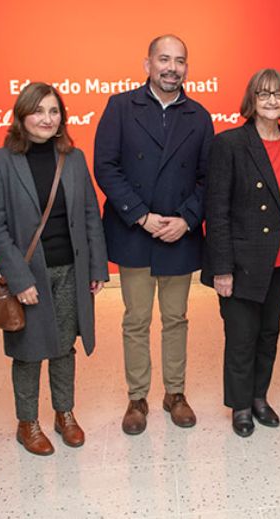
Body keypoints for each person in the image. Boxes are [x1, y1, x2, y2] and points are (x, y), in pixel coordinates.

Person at [93, 34, 214, 435]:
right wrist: (141, 216)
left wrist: (186, 219)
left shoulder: (199, 115)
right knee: (137, 319)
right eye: (164, 59)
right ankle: (138, 396)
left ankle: (175, 394)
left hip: (179, 232)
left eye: (180, 61)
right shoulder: (121, 107)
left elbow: (206, 178)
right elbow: (106, 167)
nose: (172, 68)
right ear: (147, 64)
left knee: (176, 318)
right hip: (136, 232)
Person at [0, 82, 109, 455]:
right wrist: (19, 279)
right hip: (29, 275)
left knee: (63, 346)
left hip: (70, 268)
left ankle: (64, 413)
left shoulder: (74, 158)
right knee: (28, 350)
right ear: (22, 116)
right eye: (38, 111)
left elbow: (89, 215)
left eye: (54, 112)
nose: (47, 119)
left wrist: (97, 267)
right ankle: (28, 422)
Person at [202, 68, 280, 437]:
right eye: (264, 94)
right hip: (243, 262)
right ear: (252, 100)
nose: (272, 100)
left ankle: (260, 396)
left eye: (278, 93)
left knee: (269, 333)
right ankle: (241, 406)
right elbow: (216, 211)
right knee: (242, 337)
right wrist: (222, 269)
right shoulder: (230, 143)